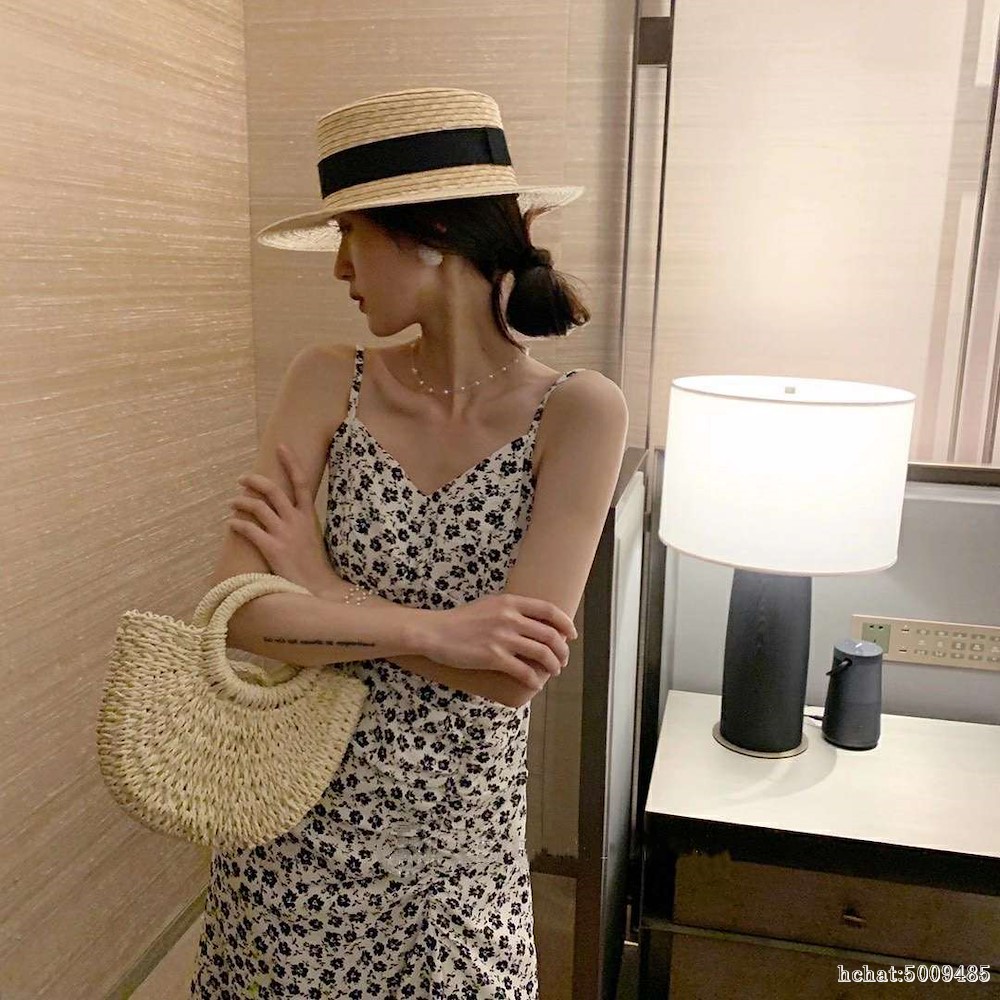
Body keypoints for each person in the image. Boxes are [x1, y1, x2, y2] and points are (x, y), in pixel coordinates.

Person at [191, 87, 628, 998]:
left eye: (351, 233)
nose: (339, 267)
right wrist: (436, 631)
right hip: (291, 836)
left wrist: (321, 587)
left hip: (457, 861)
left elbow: (511, 673)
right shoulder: (326, 379)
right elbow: (236, 614)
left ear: (429, 230)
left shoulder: (579, 411)